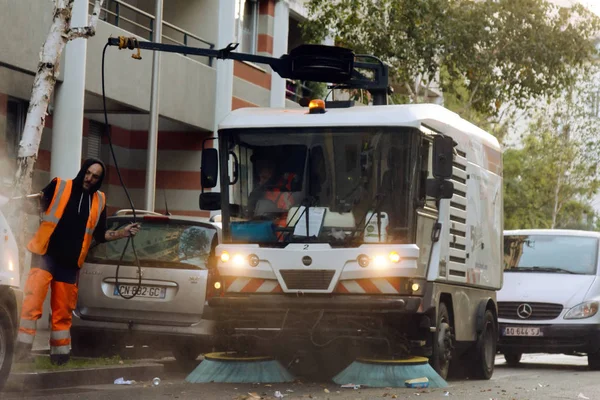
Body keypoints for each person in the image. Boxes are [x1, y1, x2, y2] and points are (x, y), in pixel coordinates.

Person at [14, 158, 140, 365]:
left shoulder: (99, 200)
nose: (89, 178)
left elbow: (100, 235)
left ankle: (60, 357)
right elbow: (35, 204)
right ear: (83, 171)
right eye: (88, 173)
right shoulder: (60, 186)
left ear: (100, 180)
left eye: (95, 176)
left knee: (62, 312)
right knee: (32, 303)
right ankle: (20, 351)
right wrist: (18, 203)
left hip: (70, 264)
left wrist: (123, 233)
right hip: (45, 255)